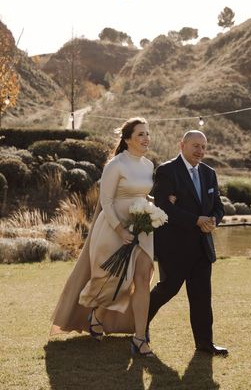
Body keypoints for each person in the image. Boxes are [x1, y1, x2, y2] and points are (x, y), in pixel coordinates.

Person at [50, 117, 155, 357]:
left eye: (148, 133)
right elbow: (106, 202)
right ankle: (96, 315)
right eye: (140, 134)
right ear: (128, 139)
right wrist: (121, 231)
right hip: (113, 230)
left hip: (142, 229)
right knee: (111, 282)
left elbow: (141, 193)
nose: (146, 138)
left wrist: (153, 206)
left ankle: (140, 337)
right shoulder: (116, 165)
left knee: (142, 280)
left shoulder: (148, 165)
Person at [147, 130, 228, 356]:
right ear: (181, 144)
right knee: (167, 290)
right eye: (195, 146)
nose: (200, 151)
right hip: (175, 247)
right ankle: (138, 327)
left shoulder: (209, 173)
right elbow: (165, 207)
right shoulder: (166, 171)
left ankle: (205, 344)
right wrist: (195, 220)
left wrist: (213, 220)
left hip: (202, 247)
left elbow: (218, 206)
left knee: (202, 297)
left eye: (203, 147)